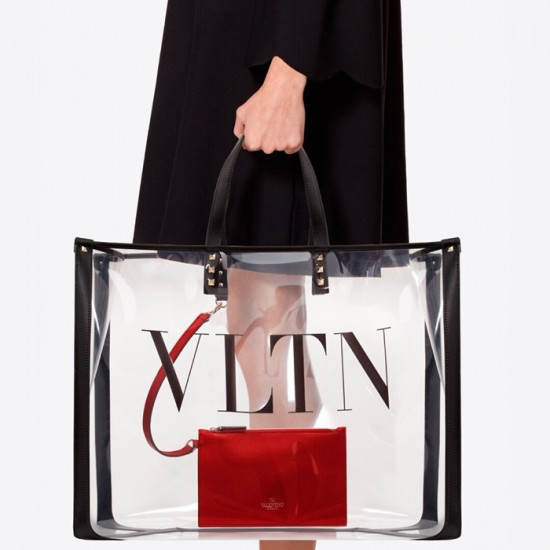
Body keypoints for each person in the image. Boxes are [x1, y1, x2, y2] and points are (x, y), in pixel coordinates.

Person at [133, 2, 409, 549]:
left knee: (268, 325)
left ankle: (285, 529)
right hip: (248, 38)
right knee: (259, 321)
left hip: (278, 41)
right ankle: (281, 520)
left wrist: (290, 68)